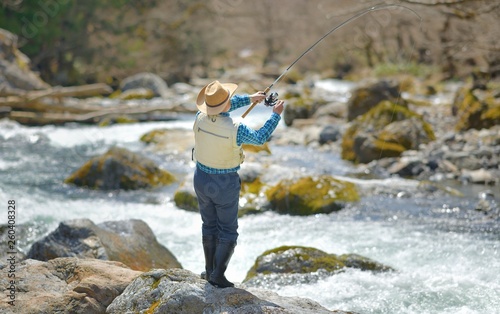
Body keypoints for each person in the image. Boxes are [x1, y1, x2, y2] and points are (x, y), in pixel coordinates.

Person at [192, 80, 284, 288]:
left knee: (209, 225)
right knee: (228, 230)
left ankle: (209, 271)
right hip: (225, 183)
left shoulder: (199, 117)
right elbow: (260, 138)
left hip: (201, 178)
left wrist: (251, 99)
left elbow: (223, 106)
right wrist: (275, 115)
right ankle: (218, 275)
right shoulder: (237, 129)